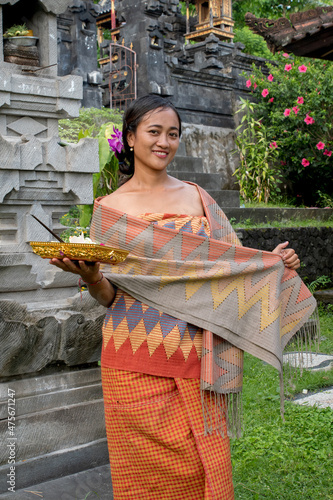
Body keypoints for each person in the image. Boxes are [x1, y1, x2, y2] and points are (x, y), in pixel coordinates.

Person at [50, 95, 307, 500]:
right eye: (154, 132)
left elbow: (231, 268)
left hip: (196, 353)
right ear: (130, 138)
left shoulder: (198, 199)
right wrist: (94, 275)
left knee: (204, 465)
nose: (164, 142)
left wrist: (273, 262)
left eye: (173, 134)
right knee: (144, 477)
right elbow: (108, 296)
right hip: (133, 355)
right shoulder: (109, 211)